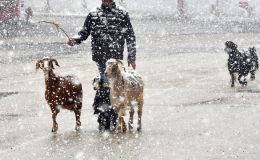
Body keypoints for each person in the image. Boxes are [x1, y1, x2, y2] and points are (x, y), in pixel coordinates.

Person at [68, 0, 136, 86]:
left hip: (116, 57)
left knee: (118, 84)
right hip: (100, 56)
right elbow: (84, 33)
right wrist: (75, 40)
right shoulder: (93, 13)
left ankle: (101, 84)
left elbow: (130, 36)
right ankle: (102, 86)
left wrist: (132, 57)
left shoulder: (122, 13)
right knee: (107, 83)